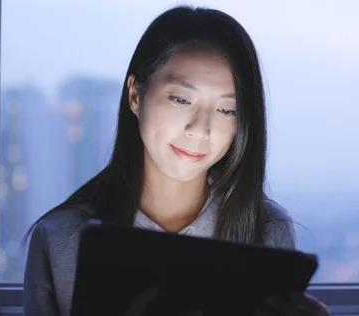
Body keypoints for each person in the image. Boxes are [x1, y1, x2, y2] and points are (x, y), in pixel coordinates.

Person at [23, 5, 330, 316]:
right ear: (135, 95)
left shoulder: (267, 231)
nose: (200, 129)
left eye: (227, 110)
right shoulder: (61, 237)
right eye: (181, 99)